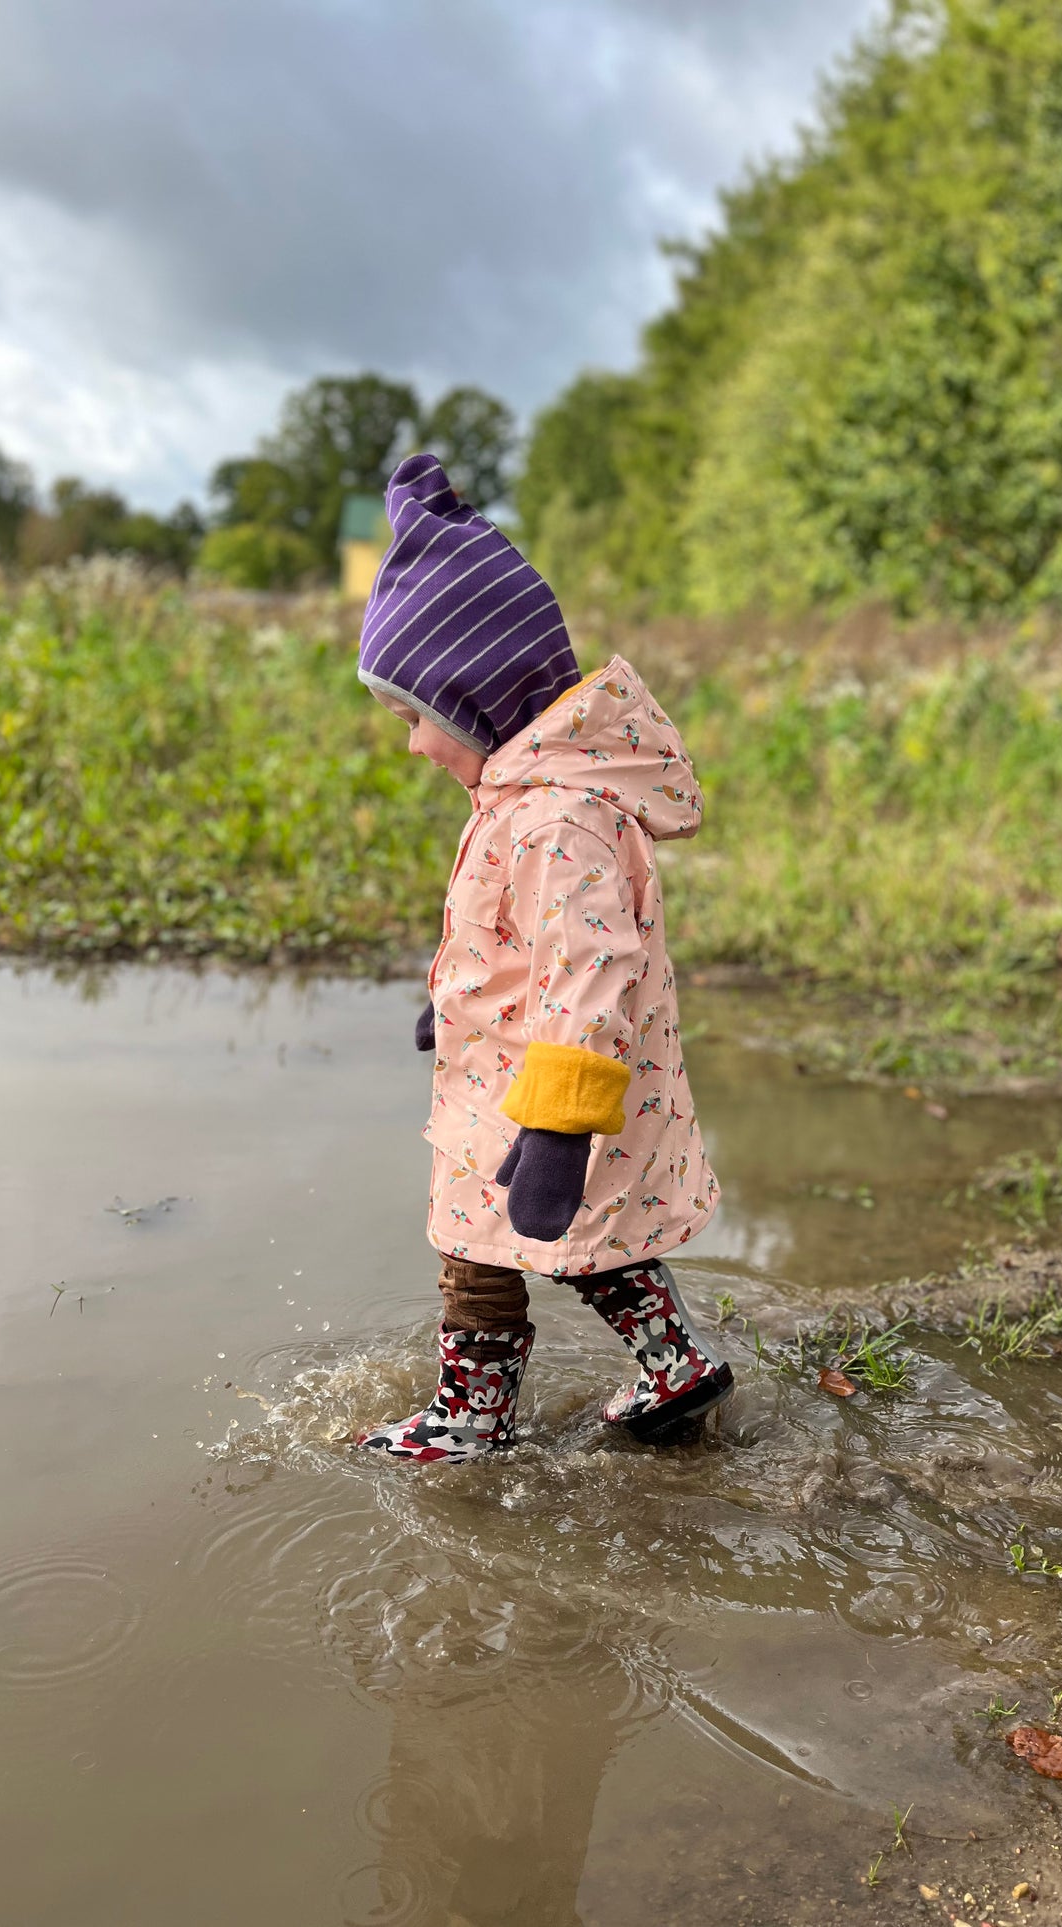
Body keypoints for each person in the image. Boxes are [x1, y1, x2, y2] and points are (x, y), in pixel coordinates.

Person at [353, 451, 732, 1463]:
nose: (412, 748)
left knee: (480, 1242)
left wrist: (558, 1128)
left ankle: (468, 1421)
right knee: (575, 1239)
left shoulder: (556, 817)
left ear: (476, 701)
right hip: (526, 1065)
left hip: (558, 1089)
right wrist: (460, 1002)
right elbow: (523, 942)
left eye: (415, 720)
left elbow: (591, 968)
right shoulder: (527, 799)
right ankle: (672, 1366)